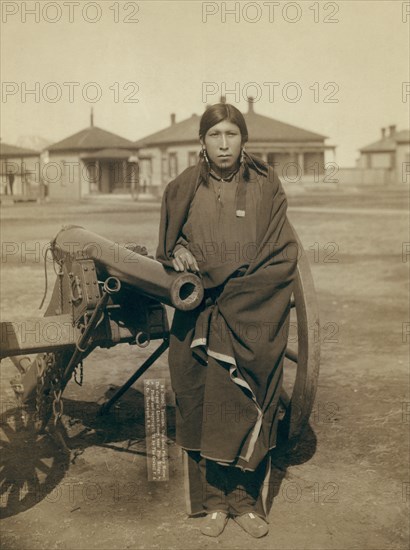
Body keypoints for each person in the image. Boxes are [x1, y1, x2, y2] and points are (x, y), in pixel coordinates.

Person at [156, 102, 297, 538]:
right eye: (214, 135)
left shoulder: (266, 185)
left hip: (253, 313)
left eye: (231, 135)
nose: (223, 144)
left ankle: (245, 503)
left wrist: (236, 290)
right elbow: (167, 245)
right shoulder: (181, 188)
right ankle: (213, 504)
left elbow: (280, 253)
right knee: (201, 402)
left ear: (244, 140)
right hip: (200, 315)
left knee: (250, 400)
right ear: (201, 141)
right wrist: (178, 251)